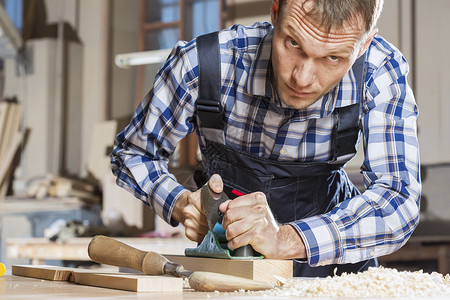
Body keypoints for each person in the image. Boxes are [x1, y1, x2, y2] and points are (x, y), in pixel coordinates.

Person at [111, 0, 421, 277]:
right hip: (231, 268)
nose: (302, 78)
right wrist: (179, 203)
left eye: (333, 58)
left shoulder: (379, 71)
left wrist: (284, 239)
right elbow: (132, 153)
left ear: (365, 43)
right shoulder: (203, 65)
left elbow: (398, 201)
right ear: (275, 11)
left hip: (334, 272)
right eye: (293, 43)